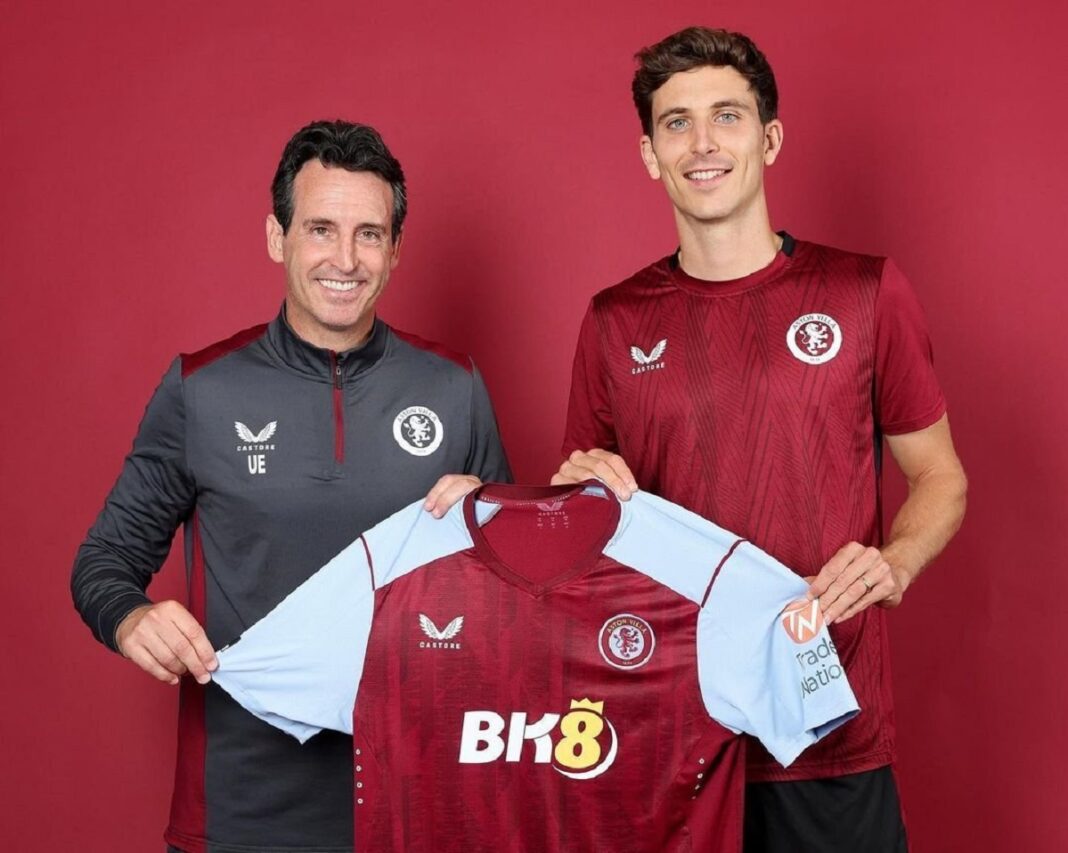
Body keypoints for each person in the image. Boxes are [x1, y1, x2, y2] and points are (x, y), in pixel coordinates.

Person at [553, 27, 967, 853]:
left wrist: (896, 560)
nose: (702, 143)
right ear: (650, 155)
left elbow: (941, 477)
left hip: (830, 725)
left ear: (769, 139)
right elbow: (582, 521)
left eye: (727, 116)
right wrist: (574, 497)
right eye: (677, 123)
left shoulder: (864, 291)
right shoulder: (613, 320)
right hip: (672, 732)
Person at [72, 120, 511, 853]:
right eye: (320, 229)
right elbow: (103, 562)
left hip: (420, 806)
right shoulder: (202, 389)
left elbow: (517, 604)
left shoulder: (454, 387)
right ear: (277, 237)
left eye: (369, 234)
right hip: (240, 815)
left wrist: (495, 527)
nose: (345, 259)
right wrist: (132, 618)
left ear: (396, 250)